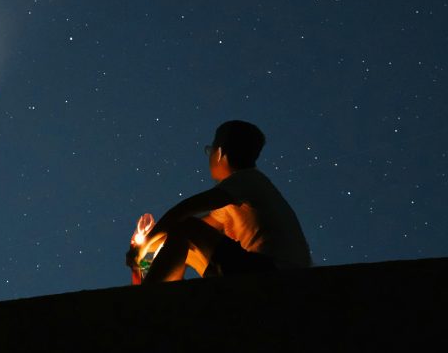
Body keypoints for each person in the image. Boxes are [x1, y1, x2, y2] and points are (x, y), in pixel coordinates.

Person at [128, 120, 311, 282]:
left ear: (220, 152)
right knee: (184, 242)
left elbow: (184, 211)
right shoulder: (241, 194)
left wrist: (142, 249)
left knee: (185, 227)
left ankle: (148, 297)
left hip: (272, 271)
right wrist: (145, 243)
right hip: (258, 268)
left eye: (210, 149)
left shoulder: (247, 179)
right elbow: (189, 233)